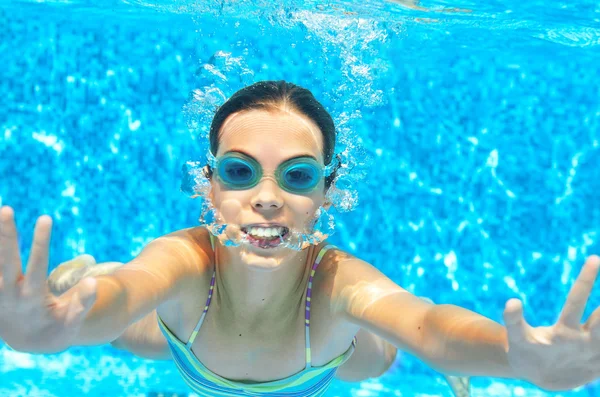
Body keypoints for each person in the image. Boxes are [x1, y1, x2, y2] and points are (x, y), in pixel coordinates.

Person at [1, 81, 599, 397]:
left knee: (385, 350)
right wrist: (57, 330)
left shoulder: (337, 280)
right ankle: (77, 278)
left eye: (297, 175)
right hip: (187, 345)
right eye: (238, 171)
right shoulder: (186, 259)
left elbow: (429, 323)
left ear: (325, 194)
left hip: (326, 362)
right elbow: (131, 292)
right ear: (208, 187)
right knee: (110, 308)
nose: (266, 196)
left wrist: (511, 357)